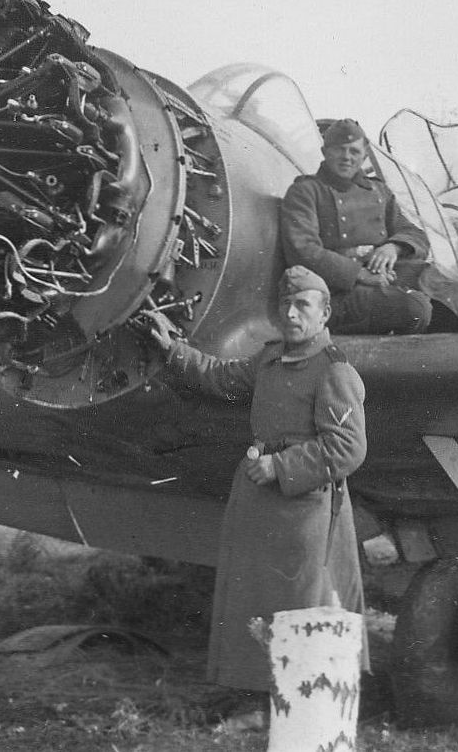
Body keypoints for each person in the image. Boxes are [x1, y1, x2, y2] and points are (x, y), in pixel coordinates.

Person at [140, 266, 368, 723]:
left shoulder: (334, 370)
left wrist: (280, 466)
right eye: (285, 304)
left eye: (302, 304)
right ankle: (252, 698)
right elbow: (221, 377)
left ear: (324, 313)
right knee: (249, 600)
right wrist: (173, 350)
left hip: (302, 505)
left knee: (296, 602)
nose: (291, 313)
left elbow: (348, 448)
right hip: (259, 499)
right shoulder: (269, 359)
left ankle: (290, 703)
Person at [279, 119, 435, 334]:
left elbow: (414, 234)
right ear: (325, 151)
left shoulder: (379, 191)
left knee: (452, 293)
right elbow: (303, 251)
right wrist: (360, 274)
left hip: (385, 276)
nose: (347, 157)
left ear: (365, 154)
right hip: (336, 291)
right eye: (339, 150)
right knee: (415, 308)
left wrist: (392, 247)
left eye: (354, 151)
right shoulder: (306, 191)